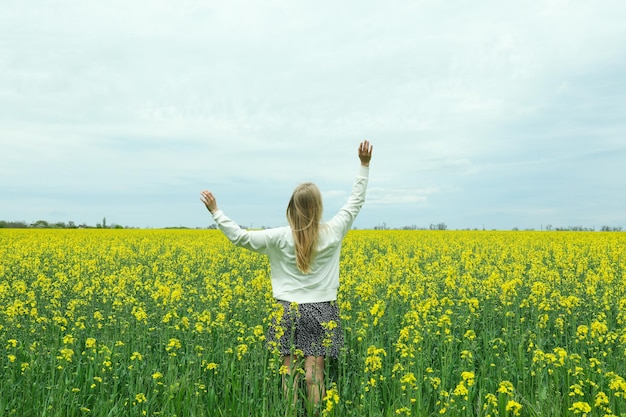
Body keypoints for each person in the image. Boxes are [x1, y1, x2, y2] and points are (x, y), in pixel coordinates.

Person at [200, 140, 372, 414]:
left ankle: (291, 413)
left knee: (288, 373)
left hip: (286, 312)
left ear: (292, 206)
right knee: (314, 374)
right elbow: (355, 203)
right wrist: (364, 165)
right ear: (318, 207)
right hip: (322, 310)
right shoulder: (333, 232)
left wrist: (216, 212)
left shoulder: (278, 237)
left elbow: (240, 238)